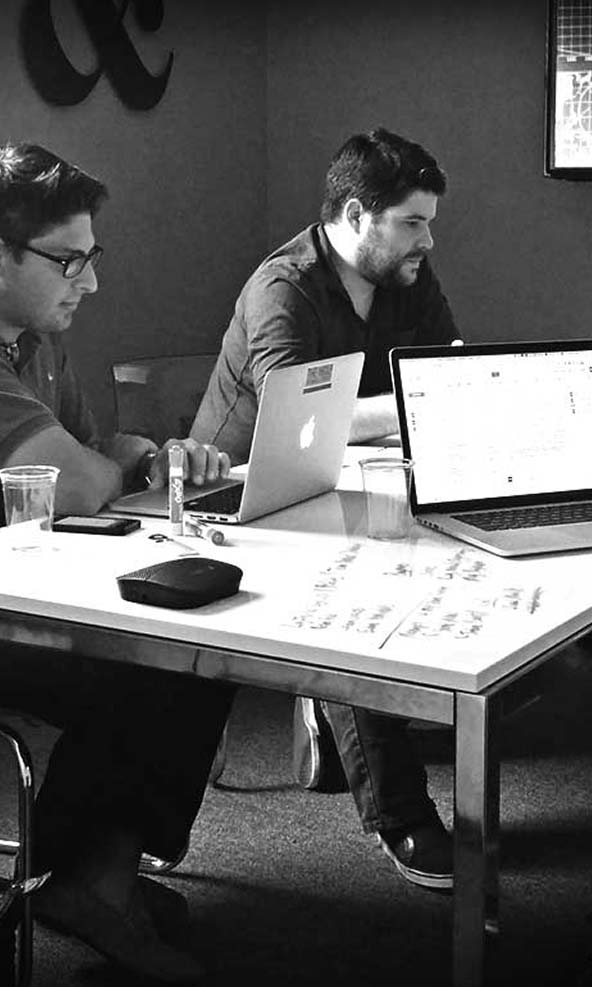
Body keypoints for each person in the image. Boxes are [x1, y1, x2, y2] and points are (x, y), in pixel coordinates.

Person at [0, 142, 236, 984]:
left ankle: (89, 870)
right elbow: (77, 482)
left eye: (90, 257)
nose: (89, 281)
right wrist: (110, 465)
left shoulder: (30, 335)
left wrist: (142, 454)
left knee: (200, 642)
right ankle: (89, 881)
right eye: (69, 261)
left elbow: (90, 457)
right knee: (155, 663)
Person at [191, 127, 459, 890]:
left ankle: (345, 704)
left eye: (429, 222)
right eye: (411, 222)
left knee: (447, 545)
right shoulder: (283, 286)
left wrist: (409, 404)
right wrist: (408, 404)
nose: (427, 240)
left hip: (343, 478)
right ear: (354, 216)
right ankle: (400, 813)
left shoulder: (405, 270)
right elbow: (296, 420)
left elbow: (444, 371)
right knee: (350, 604)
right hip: (238, 498)